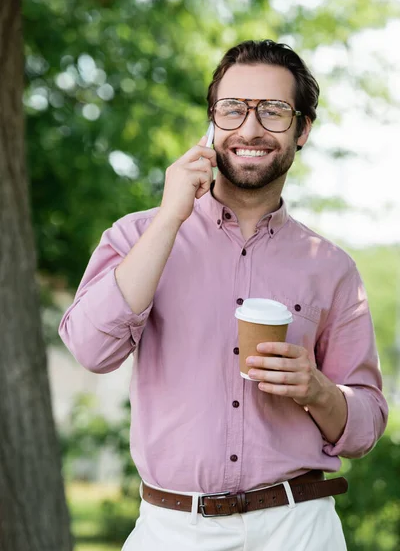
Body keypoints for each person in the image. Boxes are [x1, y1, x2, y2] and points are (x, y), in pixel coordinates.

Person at [59, 39, 388, 551]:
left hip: (297, 529)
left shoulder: (333, 269)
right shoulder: (136, 237)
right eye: (233, 109)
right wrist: (171, 216)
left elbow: (366, 424)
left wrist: (318, 390)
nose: (251, 128)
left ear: (302, 130)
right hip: (170, 530)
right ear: (212, 122)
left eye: (274, 111)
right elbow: (90, 350)